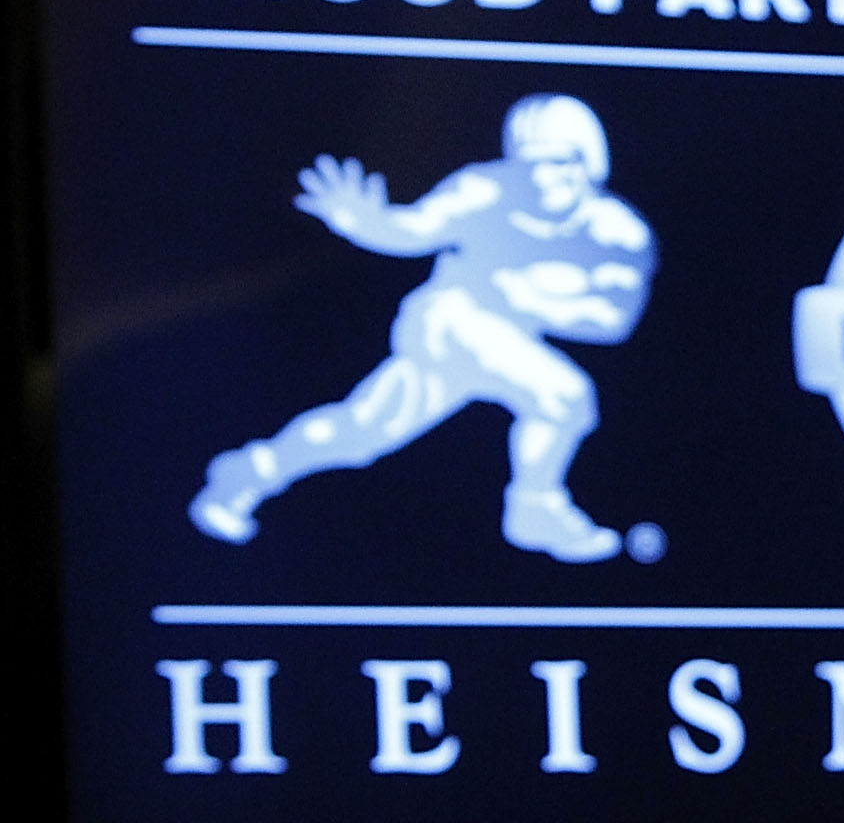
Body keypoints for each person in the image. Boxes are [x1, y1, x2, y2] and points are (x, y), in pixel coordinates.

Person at [188, 92, 652, 563]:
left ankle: (249, 473)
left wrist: (532, 299)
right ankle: (534, 509)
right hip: (447, 321)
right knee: (565, 395)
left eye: (561, 162)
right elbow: (413, 229)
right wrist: (364, 224)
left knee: (360, 432)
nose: (545, 176)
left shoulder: (619, 233)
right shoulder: (484, 189)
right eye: (532, 162)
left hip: (508, 338)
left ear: (589, 159)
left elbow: (614, 321)